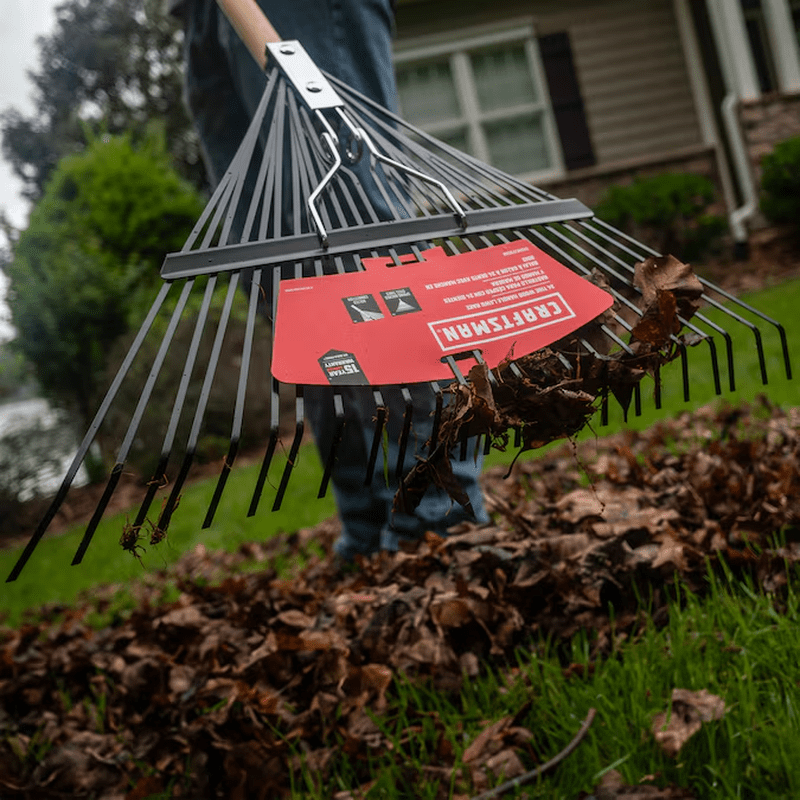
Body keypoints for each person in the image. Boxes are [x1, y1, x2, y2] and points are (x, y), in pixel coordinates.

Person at [169, 0, 489, 561]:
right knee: (286, 278)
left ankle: (439, 522)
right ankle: (368, 532)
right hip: (205, 11)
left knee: (361, 245)